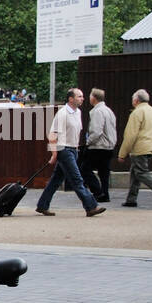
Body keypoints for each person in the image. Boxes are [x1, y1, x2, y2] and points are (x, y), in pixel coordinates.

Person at [35, 88, 104, 217]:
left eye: (82, 96)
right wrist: (54, 154)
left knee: (56, 180)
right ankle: (91, 206)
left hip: (73, 149)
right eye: (79, 96)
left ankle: (42, 205)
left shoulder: (78, 112)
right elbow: (52, 134)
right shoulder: (63, 114)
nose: (82, 98)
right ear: (70, 99)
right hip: (64, 149)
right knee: (77, 179)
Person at [117, 89, 152, 208]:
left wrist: (122, 153)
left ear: (136, 100)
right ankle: (131, 199)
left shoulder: (137, 112)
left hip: (139, 147)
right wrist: (151, 140)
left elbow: (130, 135)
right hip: (150, 146)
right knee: (135, 172)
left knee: (141, 172)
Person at [82, 88, 116, 201]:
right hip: (109, 146)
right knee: (104, 172)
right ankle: (105, 194)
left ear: (94, 98)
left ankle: (98, 191)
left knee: (85, 169)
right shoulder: (109, 111)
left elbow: (96, 131)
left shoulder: (97, 111)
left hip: (98, 146)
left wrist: (88, 142)